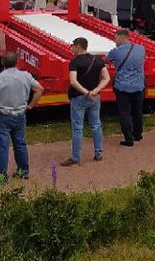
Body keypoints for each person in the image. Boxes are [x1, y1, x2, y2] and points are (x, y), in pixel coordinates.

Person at [0, 51, 44, 179]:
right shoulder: (26, 75)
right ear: (17, 62)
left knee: (2, 146)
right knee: (20, 143)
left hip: (2, 115)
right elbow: (39, 89)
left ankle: (1, 176)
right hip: (20, 114)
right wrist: (31, 105)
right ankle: (23, 171)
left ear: (2, 63)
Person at [62, 38, 109, 166]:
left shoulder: (74, 63)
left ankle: (75, 157)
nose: (71, 49)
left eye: (72, 46)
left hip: (79, 98)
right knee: (96, 125)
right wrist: (95, 90)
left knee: (78, 128)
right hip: (95, 98)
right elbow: (106, 78)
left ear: (78, 47)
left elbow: (73, 81)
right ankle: (98, 153)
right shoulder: (98, 60)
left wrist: (86, 92)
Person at [107, 28, 146, 147]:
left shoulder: (115, 51)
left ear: (122, 37)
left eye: (115, 38)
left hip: (122, 87)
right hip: (139, 86)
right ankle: (138, 134)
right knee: (137, 111)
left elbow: (106, 59)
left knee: (125, 113)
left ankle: (129, 139)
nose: (114, 41)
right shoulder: (141, 49)